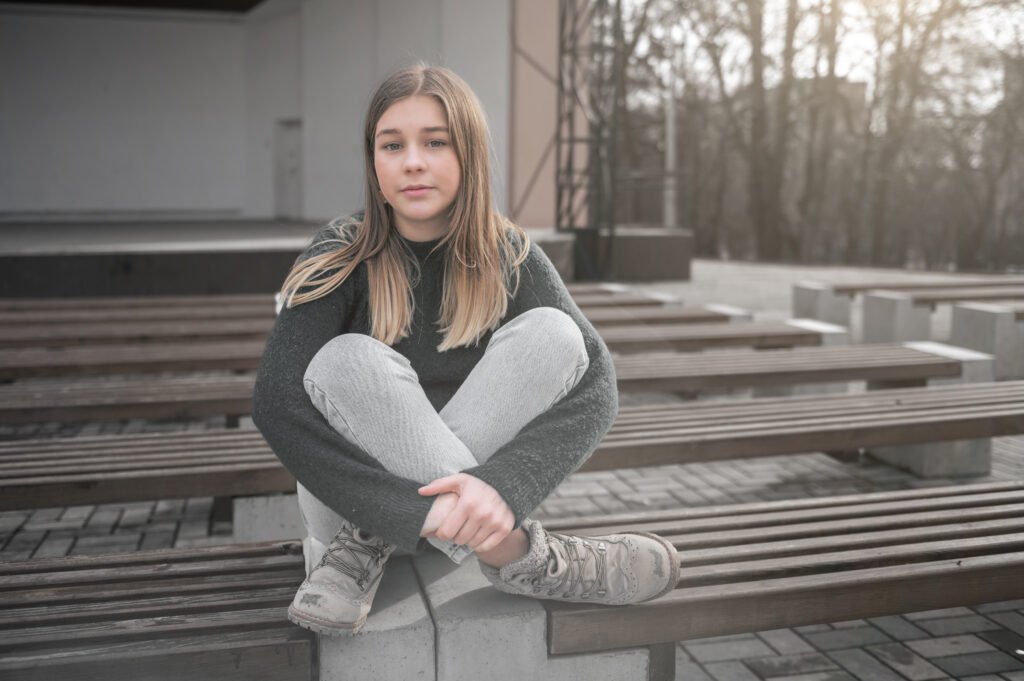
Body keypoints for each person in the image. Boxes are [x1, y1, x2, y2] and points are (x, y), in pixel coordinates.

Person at [252, 64, 679, 636]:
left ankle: (455, 535)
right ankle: (524, 556)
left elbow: (597, 384)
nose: (412, 162)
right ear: (373, 160)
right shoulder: (339, 251)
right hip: (347, 533)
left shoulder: (508, 252)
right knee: (345, 359)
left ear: (469, 154)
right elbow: (275, 400)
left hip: (467, 511)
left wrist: (505, 487)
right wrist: (401, 508)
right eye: (391, 144)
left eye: (435, 142)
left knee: (555, 333)